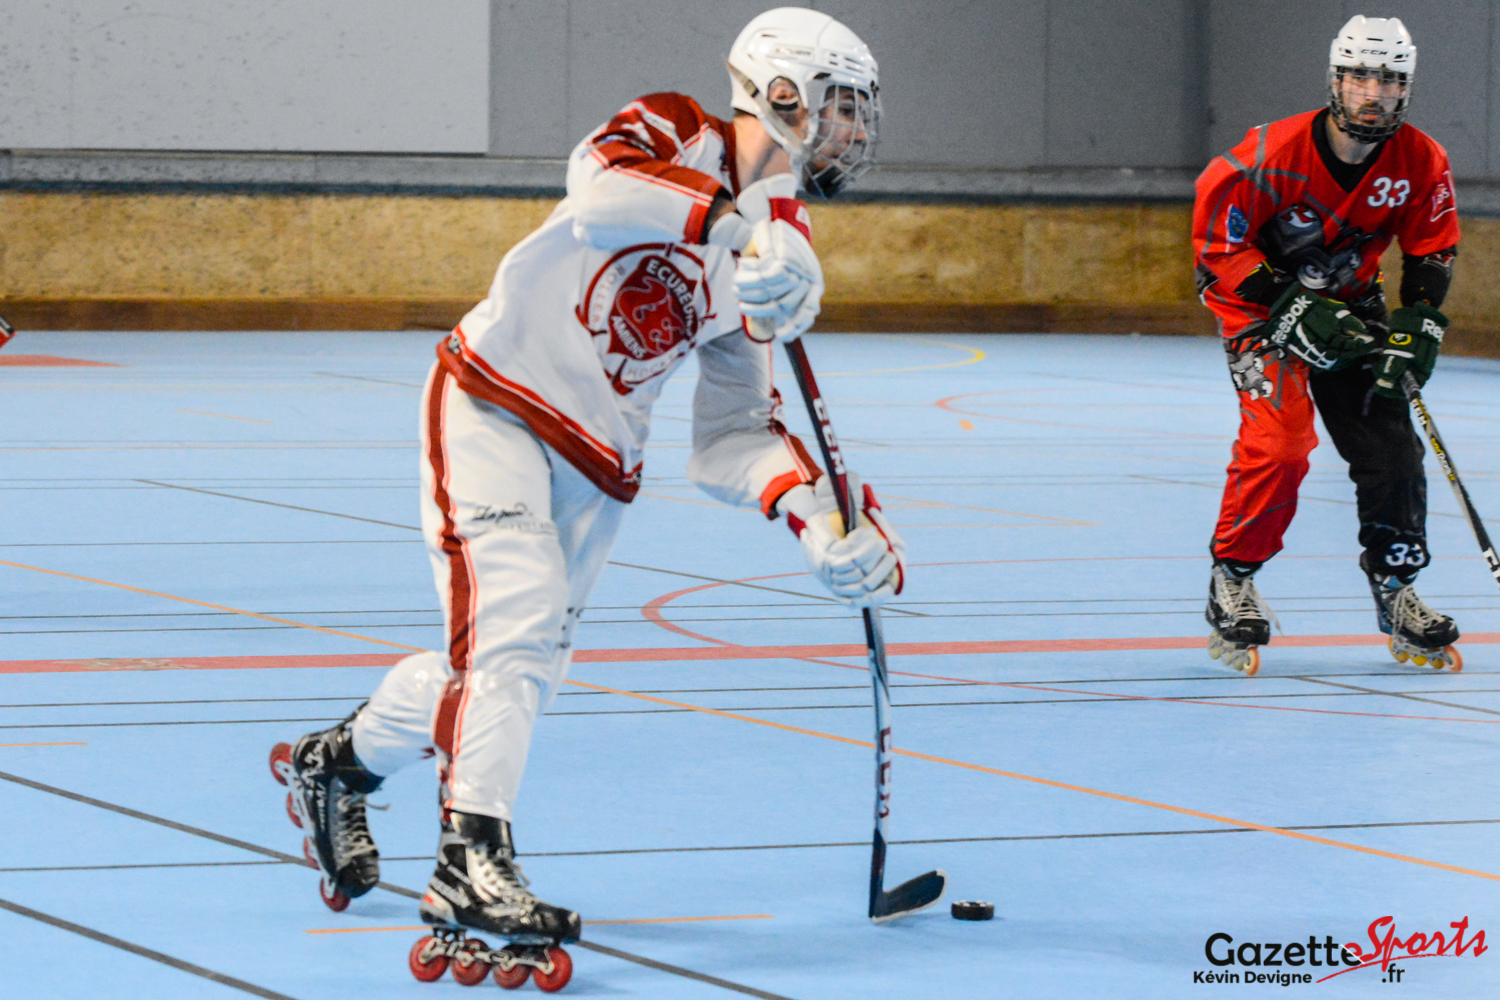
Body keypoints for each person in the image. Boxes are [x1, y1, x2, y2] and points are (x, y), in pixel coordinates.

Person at [268, 6, 903, 988]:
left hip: (599, 466)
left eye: (861, 114)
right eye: (841, 108)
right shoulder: (673, 128)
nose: (854, 133)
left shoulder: (786, 242)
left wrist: (816, 520)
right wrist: (733, 225)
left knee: (499, 670)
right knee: (513, 626)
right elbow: (598, 192)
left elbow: (733, 435)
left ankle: (337, 761)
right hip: (495, 402)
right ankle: (470, 862)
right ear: (779, 95)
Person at [1192, 15, 1462, 677]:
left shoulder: (1421, 160)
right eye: (1361, 76)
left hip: (1350, 305)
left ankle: (1396, 588)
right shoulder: (1265, 157)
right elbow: (1218, 250)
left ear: (1407, 87)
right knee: (1280, 444)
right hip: (1263, 310)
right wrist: (1288, 303)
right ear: (1336, 79)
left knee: (1394, 444)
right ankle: (1234, 576)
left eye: (1392, 80)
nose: (1374, 92)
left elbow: (1433, 246)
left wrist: (1417, 326)